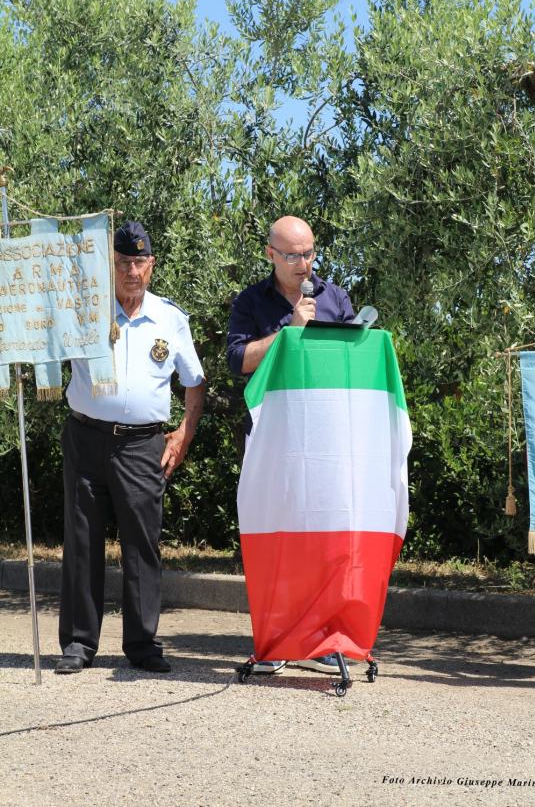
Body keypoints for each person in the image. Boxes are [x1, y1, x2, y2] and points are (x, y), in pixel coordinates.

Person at [55, 221, 205, 675]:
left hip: (143, 444)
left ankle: (142, 645)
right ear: (110, 266)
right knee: (81, 541)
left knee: (142, 543)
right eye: (123, 263)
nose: (132, 271)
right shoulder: (83, 311)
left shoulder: (170, 319)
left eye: (140, 262)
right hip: (85, 438)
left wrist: (184, 434)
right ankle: (79, 644)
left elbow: (195, 384)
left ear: (152, 266)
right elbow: (41, 345)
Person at [227, 215, 355, 675]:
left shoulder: (335, 297)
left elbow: (354, 358)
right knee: (277, 537)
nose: (305, 264)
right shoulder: (251, 302)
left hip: (325, 438)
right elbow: (238, 360)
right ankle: (278, 639)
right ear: (271, 255)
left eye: (310, 253)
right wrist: (288, 334)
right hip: (271, 439)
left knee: (323, 537)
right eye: (294, 256)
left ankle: (322, 641)